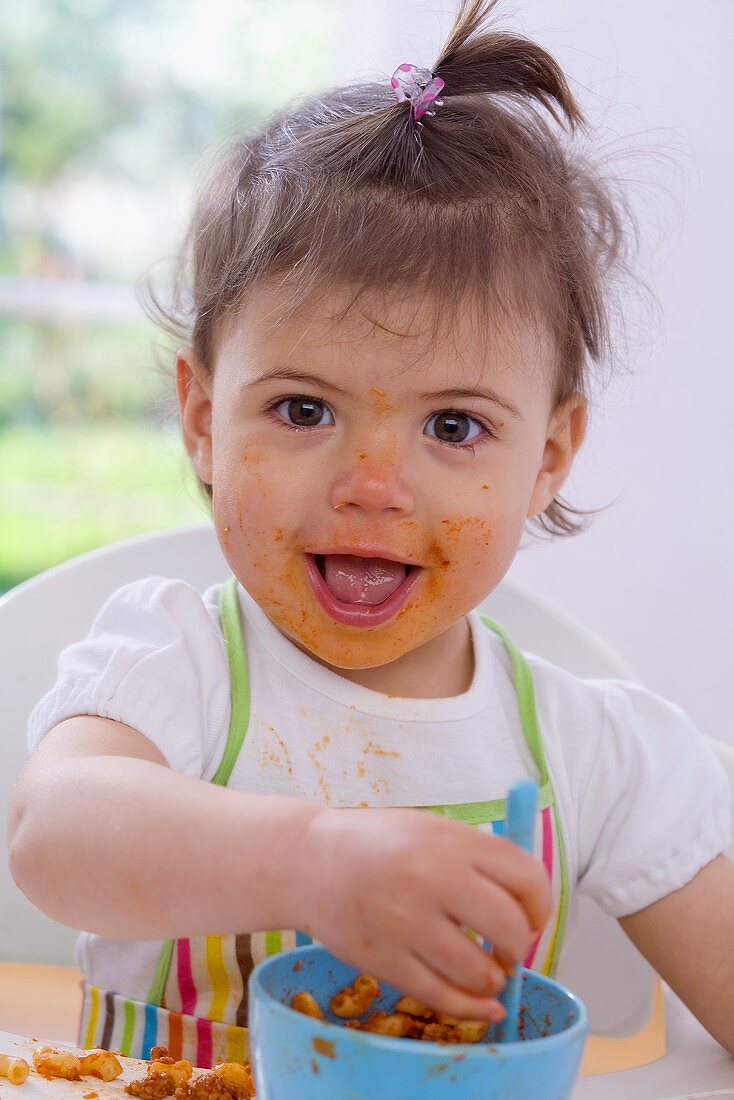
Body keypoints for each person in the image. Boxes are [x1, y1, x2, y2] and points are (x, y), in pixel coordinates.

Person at [8, 0, 734, 1067]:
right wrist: (311, 858)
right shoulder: (177, 659)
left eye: (454, 425)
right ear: (205, 417)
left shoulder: (601, 752)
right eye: (303, 410)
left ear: (546, 455)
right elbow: (53, 835)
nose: (371, 484)